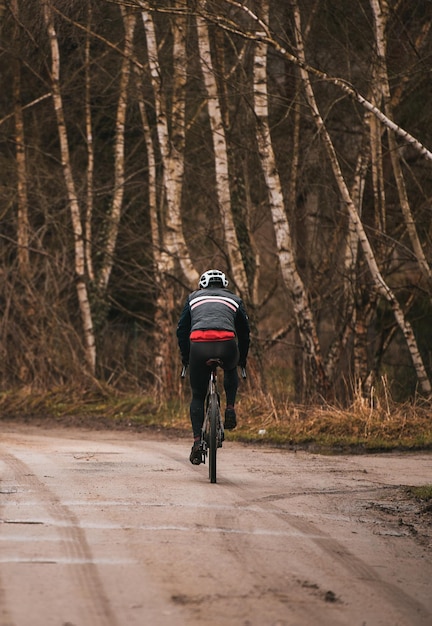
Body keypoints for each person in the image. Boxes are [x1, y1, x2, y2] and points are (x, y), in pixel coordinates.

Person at [177, 269, 250, 465]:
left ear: (203, 285)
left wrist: (186, 358)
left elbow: (181, 329)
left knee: (198, 396)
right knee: (230, 368)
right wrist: (242, 359)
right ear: (224, 285)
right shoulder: (235, 300)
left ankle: (197, 442)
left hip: (198, 347)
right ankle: (230, 408)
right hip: (227, 345)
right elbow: (244, 334)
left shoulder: (193, 298)